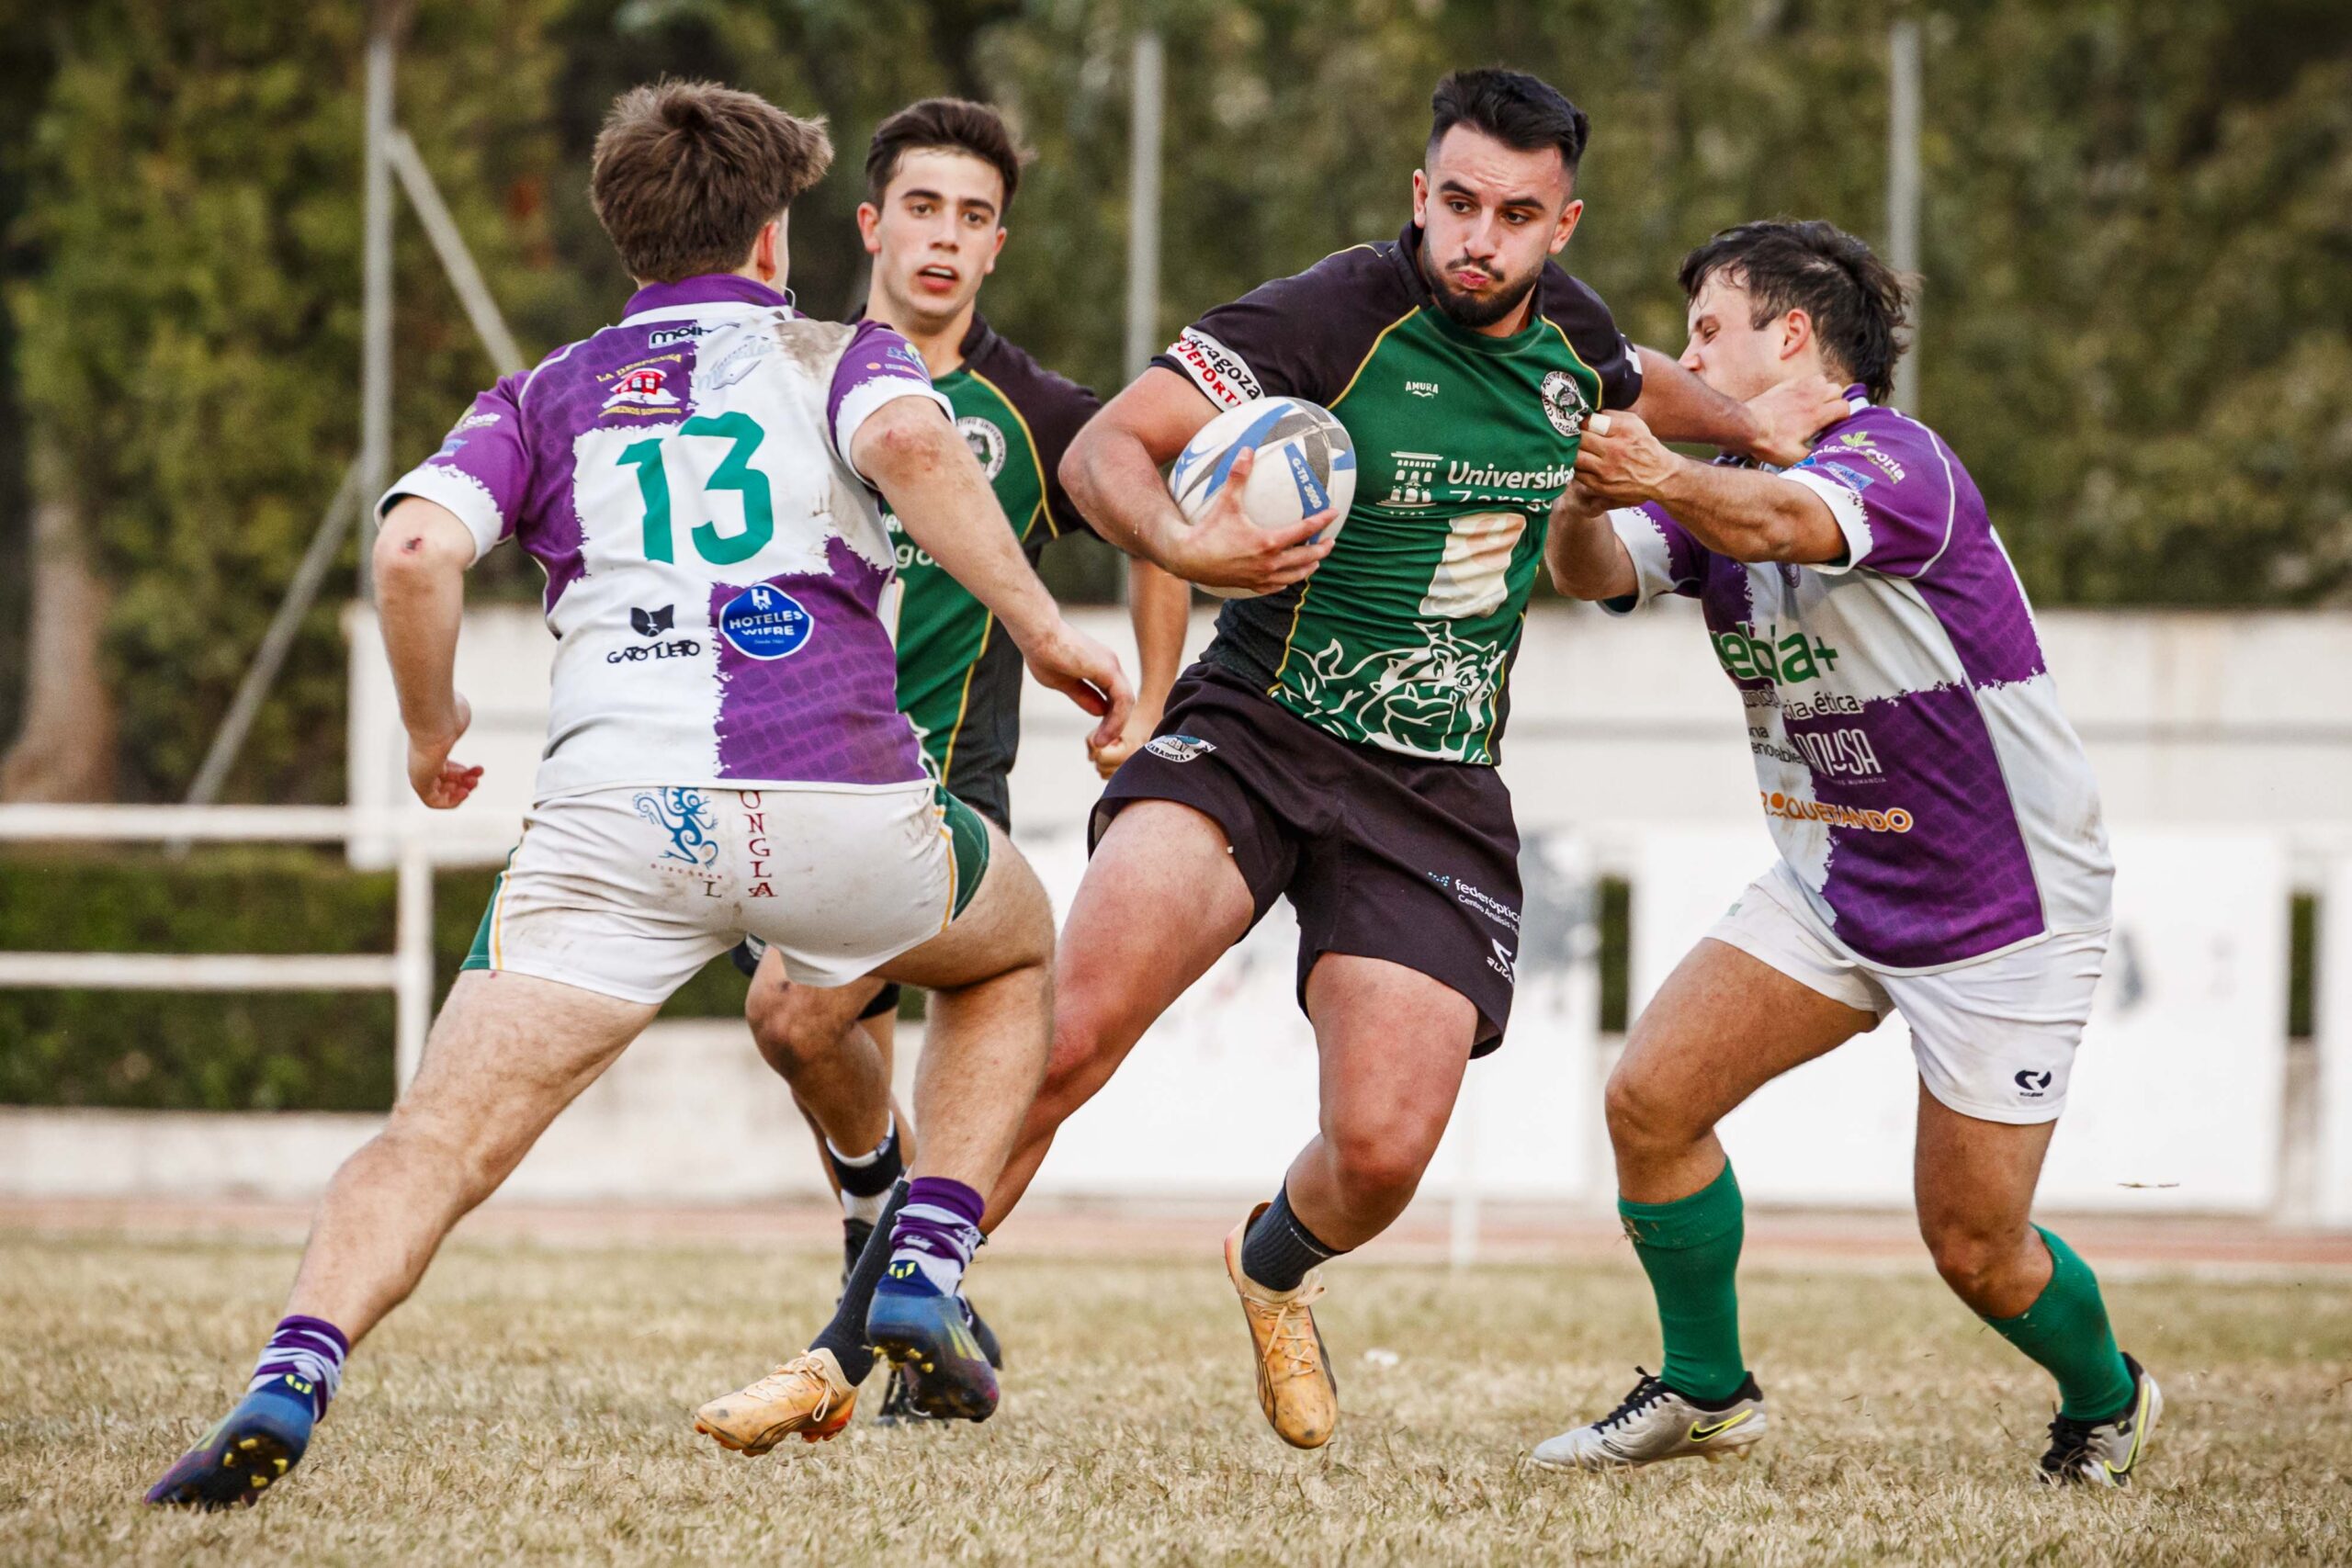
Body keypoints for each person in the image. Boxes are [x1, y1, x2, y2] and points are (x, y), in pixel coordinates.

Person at [701, 66, 1846, 1453]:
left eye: (1520, 216)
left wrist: (1758, 427)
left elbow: (1634, 380)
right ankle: (850, 1351)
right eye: (1461, 204)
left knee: (1379, 1156)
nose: (1481, 239)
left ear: (1563, 225)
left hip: (1432, 787)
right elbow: (1111, 450)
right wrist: (1187, 546)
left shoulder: (1576, 342)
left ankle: (1269, 1269)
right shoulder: (1329, 314)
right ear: (1421, 195)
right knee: (1064, 1038)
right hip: (1253, 730)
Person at [144, 79, 1130, 1509]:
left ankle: (293, 1369)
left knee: (433, 1138)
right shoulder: (835, 354)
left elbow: (416, 554)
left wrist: (434, 734)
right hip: (834, 802)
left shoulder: (544, 392)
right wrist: (1044, 633)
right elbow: (917, 452)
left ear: (625, 235)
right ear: (780, 234)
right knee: (1017, 943)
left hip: (615, 825)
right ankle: (924, 1256)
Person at [1532, 219, 2155, 1486]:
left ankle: (2111, 1395)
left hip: (2004, 908)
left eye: (1710, 329)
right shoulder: (1715, 484)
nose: (1691, 354)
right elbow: (1591, 576)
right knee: (1650, 1102)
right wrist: (1585, 494)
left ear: (1793, 336)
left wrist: (1654, 464)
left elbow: (1771, 520)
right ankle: (1706, 1389)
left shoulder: (1894, 461)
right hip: (1831, 884)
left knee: (1976, 1246)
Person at [707, 98, 1190, 1431]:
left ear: (995, 250)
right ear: (869, 225)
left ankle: (886, 1251)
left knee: (791, 1015)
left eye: (973, 219)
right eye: (922, 207)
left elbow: (1146, 510)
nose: (945, 237)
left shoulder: (1028, 410)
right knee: (814, 1038)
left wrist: (1150, 692)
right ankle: (913, 1269)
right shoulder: (783, 372)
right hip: (789, 786)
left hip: (938, 801)